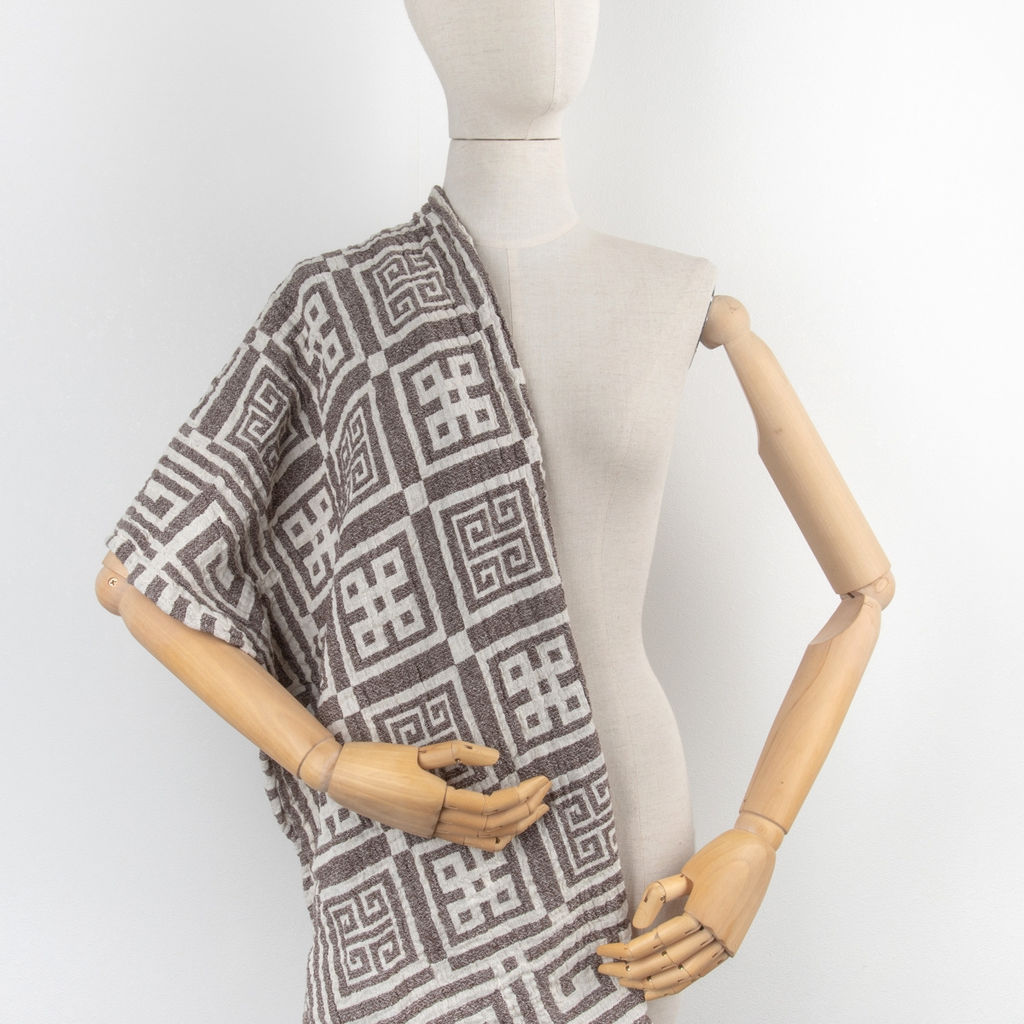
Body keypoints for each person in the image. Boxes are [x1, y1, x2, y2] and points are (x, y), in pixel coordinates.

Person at [97, 2, 892, 1020]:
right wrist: (331, 764)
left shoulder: (675, 293)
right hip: (407, 810)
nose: (553, 16)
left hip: (627, 801)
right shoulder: (337, 306)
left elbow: (864, 590)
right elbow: (139, 576)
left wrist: (758, 837)